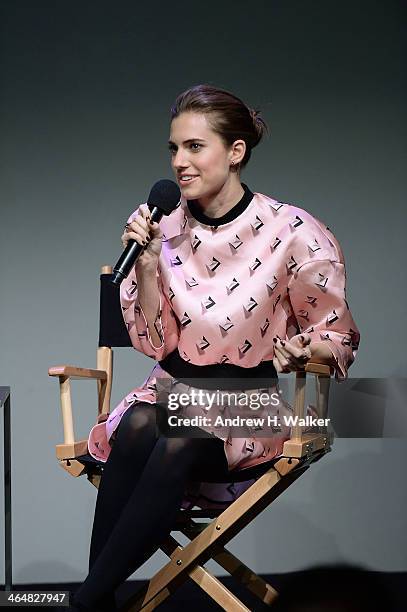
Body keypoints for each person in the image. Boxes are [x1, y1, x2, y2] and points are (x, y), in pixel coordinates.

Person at [72, 84, 360, 610]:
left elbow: (337, 337)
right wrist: (147, 263)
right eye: (173, 148)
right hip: (174, 393)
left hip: (249, 405)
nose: (179, 162)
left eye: (194, 147)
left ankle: (88, 600)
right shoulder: (163, 227)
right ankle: (100, 599)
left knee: (177, 438)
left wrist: (304, 350)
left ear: (235, 152)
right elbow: (153, 344)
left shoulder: (293, 231)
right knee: (139, 425)